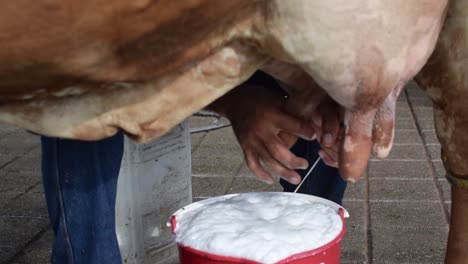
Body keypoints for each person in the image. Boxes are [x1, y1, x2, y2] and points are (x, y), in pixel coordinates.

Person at [41, 71, 346, 263]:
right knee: (78, 98)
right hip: (136, 51)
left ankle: (315, 246)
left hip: (262, 44)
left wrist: (334, 106)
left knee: (328, 110)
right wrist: (233, 100)